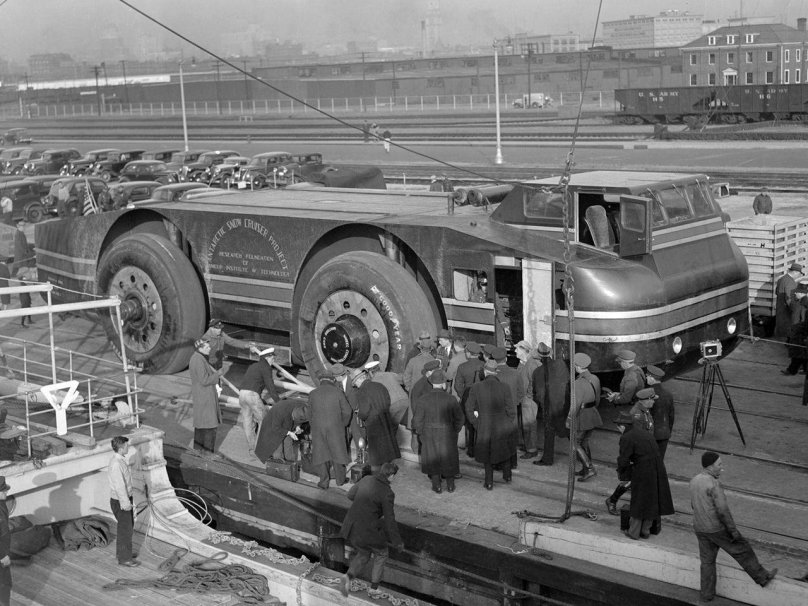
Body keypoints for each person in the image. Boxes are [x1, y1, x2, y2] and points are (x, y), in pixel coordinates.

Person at [690, 451, 777, 601]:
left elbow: (693, 505)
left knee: (707, 562)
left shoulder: (694, 481)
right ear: (710, 467)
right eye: (719, 464)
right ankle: (763, 577)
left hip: (699, 528)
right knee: (742, 549)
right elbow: (723, 510)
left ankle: (706, 595)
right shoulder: (714, 484)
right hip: (715, 528)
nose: (722, 467)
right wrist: (733, 531)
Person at [339, 462, 404, 597]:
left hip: (350, 525)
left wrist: (364, 505)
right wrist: (397, 542)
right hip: (367, 529)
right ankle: (374, 588)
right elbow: (390, 520)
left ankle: (347, 577)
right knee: (382, 553)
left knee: (364, 552)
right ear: (391, 476)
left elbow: (350, 495)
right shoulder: (388, 493)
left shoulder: (367, 479)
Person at [613, 410, 674, 540]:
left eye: (618, 428)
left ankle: (633, 532)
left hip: (643, 470)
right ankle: (645, 530)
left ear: (622, 426)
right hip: (658, 468)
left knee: (639, 500)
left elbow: (623, 459)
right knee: (652, 499)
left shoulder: (626, 437)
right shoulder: (643, 433)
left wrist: (623, 476)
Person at [465, 359, 517, 490]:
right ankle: (507, 475)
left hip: (484, 425)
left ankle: (489, 482)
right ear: (496, 372)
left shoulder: (476, 387)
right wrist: (508, 422)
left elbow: (469, 408)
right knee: (505, 450)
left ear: (485, 371)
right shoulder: (505, 387)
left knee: (487, 455)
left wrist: (476, 424)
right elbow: (511, 410)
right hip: (502, 425)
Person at [412, 370, 464, 493]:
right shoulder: (451, 399)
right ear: (443, 384)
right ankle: (450, 485)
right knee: (449, 458)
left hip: (429, 434)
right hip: (448, 433)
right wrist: (455, 430)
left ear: (431, 383)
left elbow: (417, 421)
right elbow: (460, 418)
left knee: (432, 458)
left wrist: (421, 433)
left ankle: (437, 486)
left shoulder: (423, 399)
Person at [309, 371, 353, 489]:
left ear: (320, 380)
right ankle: (340, 480)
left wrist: (314, 426)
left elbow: (309, 413)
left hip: (318, 429)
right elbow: (347, 411)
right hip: (336, 428)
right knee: (338, 453)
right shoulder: (338, 392)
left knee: (321, 455)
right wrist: (343, 424)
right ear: (332, 380)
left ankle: (324, 482)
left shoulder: (313, 393)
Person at [356, 362, 401, 469]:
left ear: (359, 380)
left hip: (373, 423)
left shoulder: (362, 390)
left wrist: (360, 415)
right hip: (385, 417)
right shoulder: (379, 385)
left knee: (377, 449)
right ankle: (388, 465)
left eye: (355, 383)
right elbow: (388, 400)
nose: (356, 386)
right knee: (387, 443)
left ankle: (379, 469)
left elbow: (364, 411)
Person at [531, 342, 568, 467]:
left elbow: (537, 393)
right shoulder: (561, 364)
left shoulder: (537, 372)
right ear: (550, 353)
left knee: (549, 433)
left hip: (548, 407)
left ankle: (547, 459)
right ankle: (583, 456)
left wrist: (542, 404)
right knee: (570, 432)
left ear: (539, 356)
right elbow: (567, 383)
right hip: (563, 405)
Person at [567, 352, 601, 481]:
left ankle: (589, 468)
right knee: (584, 442)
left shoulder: (578, 383)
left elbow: (574, 405)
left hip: (582, 416)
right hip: (592, 413)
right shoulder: (595, 378)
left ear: (577, 366)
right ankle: (585, 469)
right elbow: (597, 399)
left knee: (575, 443)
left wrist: (569, 419)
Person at [238, 348, 279, 453]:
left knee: (247, 422)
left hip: (242, 394)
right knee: (264, 421)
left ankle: (252, 448)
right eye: (272, 358)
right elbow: (270, 386)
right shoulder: (266, 367)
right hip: (252, 395)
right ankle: (261, 448)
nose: (273, 360)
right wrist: (278, 401)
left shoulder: (253, 366)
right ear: (267, 357)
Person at [108, 436, 140, 567]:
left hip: (123, 499)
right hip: (121, 501)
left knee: (126, 527)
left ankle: (122, 553)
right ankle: (124, 559)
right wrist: (125, 503)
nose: (128, 447)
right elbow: (119, 486)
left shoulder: (119, 460)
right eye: (127, 446)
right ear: (121, 448)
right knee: (125, 530)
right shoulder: (117, 464)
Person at [189, 337, 226, 453]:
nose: (210, 348)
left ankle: (198, 451)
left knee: (201, 426)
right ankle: (208, 454)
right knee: (210, 426)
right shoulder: (198, 360)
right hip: (205, 396)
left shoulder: (198, 358)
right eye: (207, 347)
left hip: (202, 396)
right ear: (200, 348)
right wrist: (218, 374)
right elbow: (204, 380)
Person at [453, 341, 484, 457]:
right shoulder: (484, 365)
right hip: (482, 397)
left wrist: (464, 395)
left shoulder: (462, 367)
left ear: (469, 353)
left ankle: (471, 449)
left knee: (469, 423)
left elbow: (457, 385)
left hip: (468, 396)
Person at [254, 398, 308, 464]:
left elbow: (301, 418)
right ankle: (278, 463)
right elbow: (275, 428)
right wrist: (289, 432)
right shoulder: (280, 412)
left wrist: (298, 426)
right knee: (277, 445)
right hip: (275, 424)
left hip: (286, 418)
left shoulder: (303, 408)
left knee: (288, 442)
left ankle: (291, 462)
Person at [515, 340, 541, 459]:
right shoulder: (523, 362)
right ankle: (528, 445)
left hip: (529, 399)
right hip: (524, 397)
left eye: (517, 349)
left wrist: (529, 395)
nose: (515, 350)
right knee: (525, 424)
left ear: (524, 350)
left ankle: (532, 449)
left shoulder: (532, 364)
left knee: (529, 424)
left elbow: (534, 382)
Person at [646, 365, 675, 459]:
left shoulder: (647, 394)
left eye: (647, 376)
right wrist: (668, 431)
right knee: (659, 461)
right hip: (664, 433)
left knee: (648, 461)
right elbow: (671, 416)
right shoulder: (668, 394)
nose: (646, 378)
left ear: (651, 378)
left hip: (650, 434)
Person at [774, 263, 805, 340]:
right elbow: (789, 298)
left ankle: (780, 338)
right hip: (786, 310)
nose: (799, 276)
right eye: (799, 274)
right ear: (795, 272)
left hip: (780, 307)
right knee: (787, 331)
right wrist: (795, 309)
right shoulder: (790, 282)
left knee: (780, 327)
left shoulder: (781, 279)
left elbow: (776, 292)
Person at [0, 475, 12, 604]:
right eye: (3, 491)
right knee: (3, 585)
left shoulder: (1, 504)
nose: (6, 492)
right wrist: (3, 556)